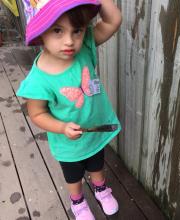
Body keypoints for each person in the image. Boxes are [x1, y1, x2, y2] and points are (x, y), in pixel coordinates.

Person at [16, 0, 122, 219]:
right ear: (41, 31)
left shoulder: (84, 48)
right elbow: (37, 113)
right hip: (67, 142)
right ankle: (78, 203)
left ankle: (101, 189)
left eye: (77, 30)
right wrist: (62, 127)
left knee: (97, 163)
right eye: (57, 30)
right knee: (73, 175)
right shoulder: (39, 79)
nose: (69, 41)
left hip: (95, 130)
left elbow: (113, 21)